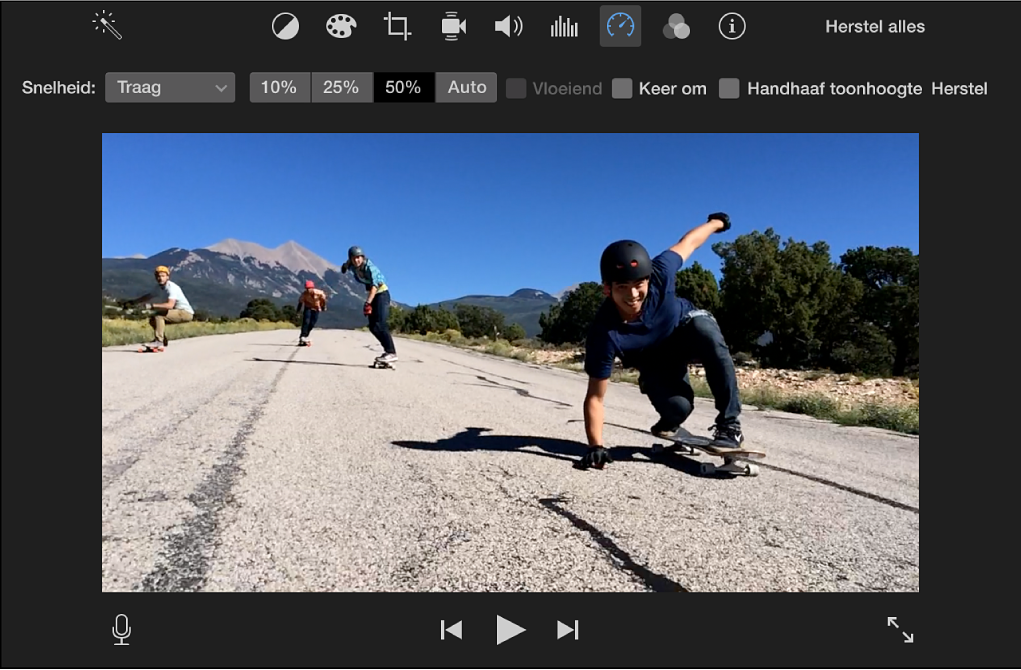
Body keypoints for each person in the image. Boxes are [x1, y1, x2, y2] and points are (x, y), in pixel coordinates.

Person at [578, 213, 751, 470]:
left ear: (648, 279)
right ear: (607, 288)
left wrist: (716, 224)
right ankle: (668, 420)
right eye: (623, 286)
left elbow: (689, 242)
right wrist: (596, 446)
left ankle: (729, 426)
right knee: (679, 408)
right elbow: (595, 397)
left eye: (639, 284)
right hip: (656, 360)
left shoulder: (660, 272)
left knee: (706, 329)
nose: (633, 294)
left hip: (685, 333)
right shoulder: (604, 332)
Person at [341, 246, 397, 363]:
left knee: (380, 324)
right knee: (373, 327)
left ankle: (391, 352)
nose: (356, 260)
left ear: (363, 257)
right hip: (373, 296)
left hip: (381, 294)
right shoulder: (352, 265)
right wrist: (344, 267)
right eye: (354, 258)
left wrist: (368, 303)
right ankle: (387, 352)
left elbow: (374, 287)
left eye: (358, 258)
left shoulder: (370, 268)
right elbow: (347, 264)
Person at [122, 265, 195, 349]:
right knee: (153, 320)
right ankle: (163, 340)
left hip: (185, 313)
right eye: (158, 276)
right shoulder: (159, 287)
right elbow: (148, 296)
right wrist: (133, 302)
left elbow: (169, 305)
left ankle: (158, 341)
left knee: (159, 316)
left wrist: (152, 306)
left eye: (163, 276)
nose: (160, 278)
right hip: (177, 312)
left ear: (167, 277)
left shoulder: (171, 287)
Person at [296, 280, 328, 345]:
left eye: (309, 288)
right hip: (308, 308)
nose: (308, 290)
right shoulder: (304, 294)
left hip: (316, 308)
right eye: (307, 288)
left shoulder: (319, 293)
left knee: (312, 323)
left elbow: (323, 300)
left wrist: (323, 306)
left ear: (312, 288)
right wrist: (298, 312)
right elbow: (300, 303)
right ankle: (303, 336)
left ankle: (305, 335)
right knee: (306, 321)